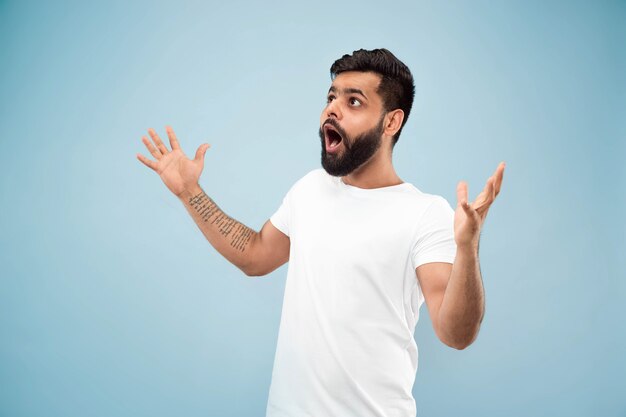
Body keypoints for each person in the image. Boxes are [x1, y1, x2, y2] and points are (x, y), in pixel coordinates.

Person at [137, 48, 505, 417]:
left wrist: (468, 248)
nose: (332, 109)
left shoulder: (424, 213)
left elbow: (456, 334)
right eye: (331, 97)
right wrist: (189, 191)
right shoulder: (310, 190)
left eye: (354, 101)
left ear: (391, 122)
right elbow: (254, 255)